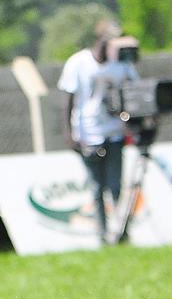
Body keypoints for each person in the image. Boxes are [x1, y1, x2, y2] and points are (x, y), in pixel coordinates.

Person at [59, 20, 139, 245]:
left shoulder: (122, 63)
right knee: (97, 187)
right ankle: (102, 235)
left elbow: (136, 91)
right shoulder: (78, 62)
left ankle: (121, 233)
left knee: (116, 185)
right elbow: (68, 100)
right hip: (88, 134)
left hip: (114, 132)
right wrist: (69, 134)